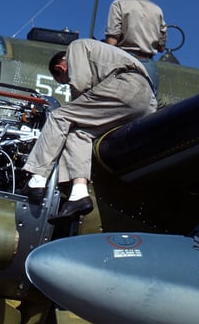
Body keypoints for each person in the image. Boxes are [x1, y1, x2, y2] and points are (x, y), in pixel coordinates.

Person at [22, 38, 157, 224]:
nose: (68, 84)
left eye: (65, 82)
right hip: (144, 101)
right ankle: (79, 195)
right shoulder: (105, 55)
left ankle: (37, 179)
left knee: (60, 117)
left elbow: (81, 85)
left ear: (61, 68)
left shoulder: (75, 47)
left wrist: (72, 108)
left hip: (125, 86)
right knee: (79, 133)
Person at [104, 0, 167, 95]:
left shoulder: (118, 4)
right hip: (149, 67)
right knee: (149, 108)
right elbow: (161, 47)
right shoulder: (156, 9)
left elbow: (112, 41)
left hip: (126, 64)